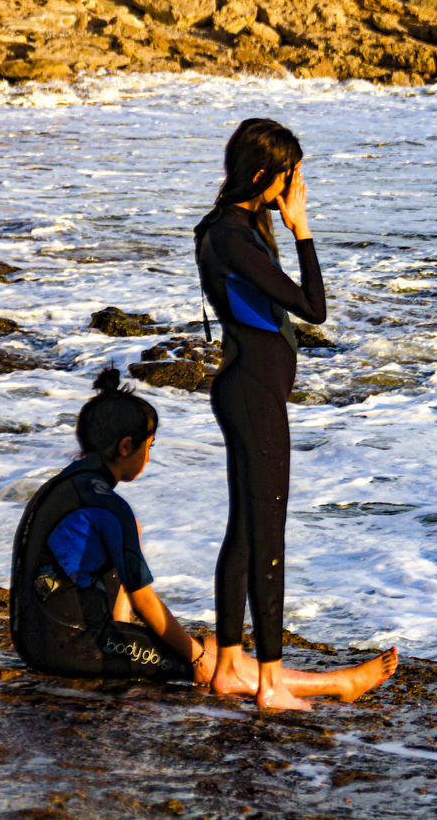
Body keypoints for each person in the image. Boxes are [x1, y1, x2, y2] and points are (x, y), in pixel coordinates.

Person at [8, 368, 397, 702]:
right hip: (69, 648)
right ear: (127, 446)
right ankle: (337, 684)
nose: (148, 456)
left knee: (131, 559)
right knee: (214, 656)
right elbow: (144, 600)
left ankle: (124, 642)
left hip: (34, 639)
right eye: (149, 446)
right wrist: (195, 658)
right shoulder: (110, 509)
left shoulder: (61, 487)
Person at [194, 118, 336, 710]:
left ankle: (230, 664)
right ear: (261, 173)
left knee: (246, 535)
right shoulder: (232, 237)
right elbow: (312, 308)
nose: (292, 187)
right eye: (286, 176)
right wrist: (302, 232)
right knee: (267, 538)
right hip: (252, 394)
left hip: (248, 390)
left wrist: (275, 216)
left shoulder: (230, 227)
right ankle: (271, 679)